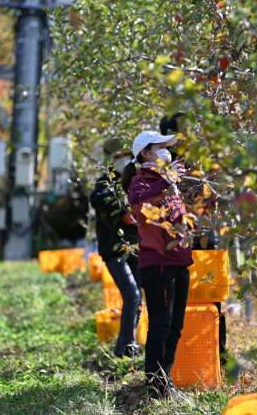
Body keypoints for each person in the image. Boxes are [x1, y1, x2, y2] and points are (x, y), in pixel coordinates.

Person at [122, 130, 193, 399]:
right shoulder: (141, 182)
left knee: (175, 326)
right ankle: (155, 386)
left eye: (168, 146)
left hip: (178, 261)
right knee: (161, 325)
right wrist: (166, 180)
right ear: (146, 153)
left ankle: (166, 381)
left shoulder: (172, 182)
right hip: (157, 264)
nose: (167, 151)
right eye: (160, 146)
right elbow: (140, 207)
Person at [159, 113, 227, 361]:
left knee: (212, 299)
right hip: (176, 243)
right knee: (179, 304)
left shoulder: (199, 161)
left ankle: (217, 355)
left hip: (203, 239)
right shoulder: (163, 163)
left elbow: (210, 200)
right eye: (186, 130)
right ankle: (183, 358)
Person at [89, 137, 142, 358]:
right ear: (111, 160)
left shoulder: (134, 179)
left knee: (137, 297)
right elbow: (98, 201)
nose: (123, 161)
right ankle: (128, 347)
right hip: (114, 249)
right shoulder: (105, 184)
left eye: (126, 156)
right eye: (118, 158)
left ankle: (123, 349)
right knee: (132, 296)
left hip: (136, 246)